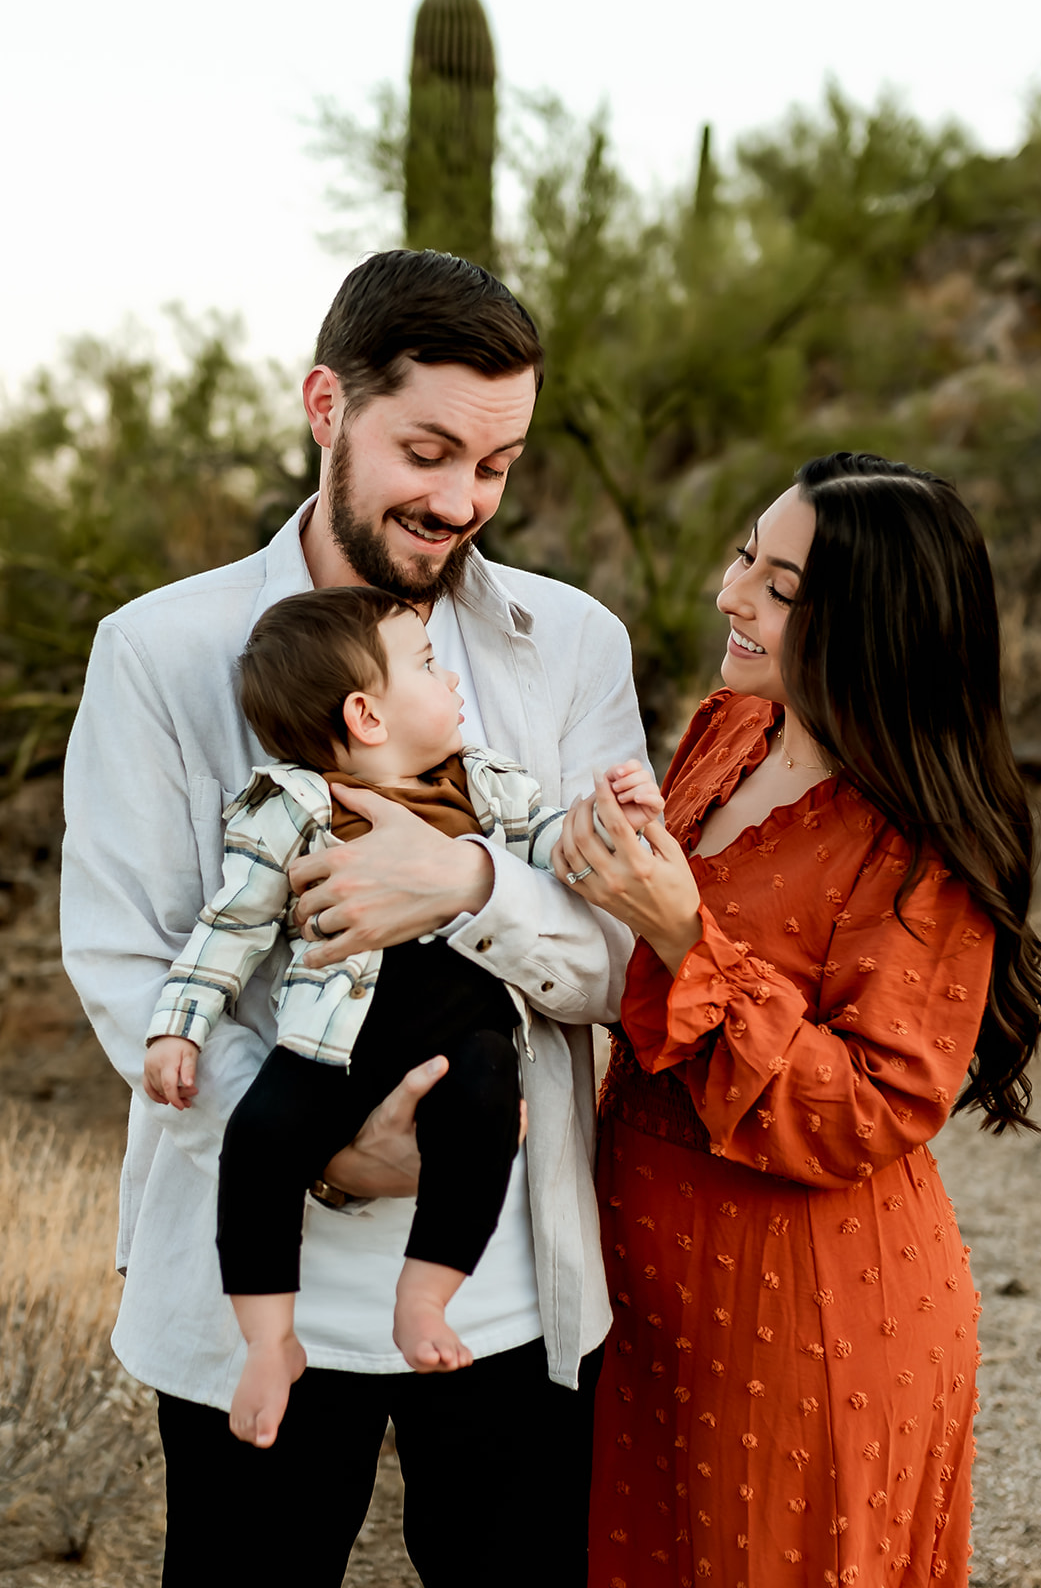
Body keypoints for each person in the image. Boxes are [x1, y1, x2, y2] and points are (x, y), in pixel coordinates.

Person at [60, 250, 648, 1588]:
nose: (459, 503)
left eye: (494, 467)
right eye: (427, 451)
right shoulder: (161, 651)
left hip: (509, 1290)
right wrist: (327, 1145)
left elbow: (623, 957)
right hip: (252, 1295)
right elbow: (126, 959)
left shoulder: (573, 646)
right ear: (326, 404)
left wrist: (474, 890)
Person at [551, 452, 1041, 1587]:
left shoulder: (917, 844)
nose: (733, 597)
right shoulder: (730, 726)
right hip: (640, 1281)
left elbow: (873, 1106)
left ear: (873, 629)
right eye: (745, 557)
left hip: (808, 1318)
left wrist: (689, 937)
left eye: (781, 590)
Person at [142, 584, 661, 1447]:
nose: (451, 679)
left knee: (489, 1110)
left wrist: (611, 820)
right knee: (258, 1141)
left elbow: (554, 849)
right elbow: (229, 925)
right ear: (366, 715)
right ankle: (270, 1340)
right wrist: (178, 1025)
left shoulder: (481, 785)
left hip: (463, 1041)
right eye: (427, 665)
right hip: (328, 1042)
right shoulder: (296, 810)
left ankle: (425, 1294)